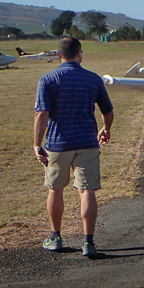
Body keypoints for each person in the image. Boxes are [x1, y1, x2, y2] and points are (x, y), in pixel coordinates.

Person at [33, 37, 114, 258]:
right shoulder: (93, 79)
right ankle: (88, 242)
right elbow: (107, 110)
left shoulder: (48, 78)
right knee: (87, 190)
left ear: (58, 55)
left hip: (58, 143)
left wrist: (36, 144)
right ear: (80, 53)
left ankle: (55, 237)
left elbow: (42, 113)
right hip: (87, 142)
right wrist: (106, 129)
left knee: (55, 189)